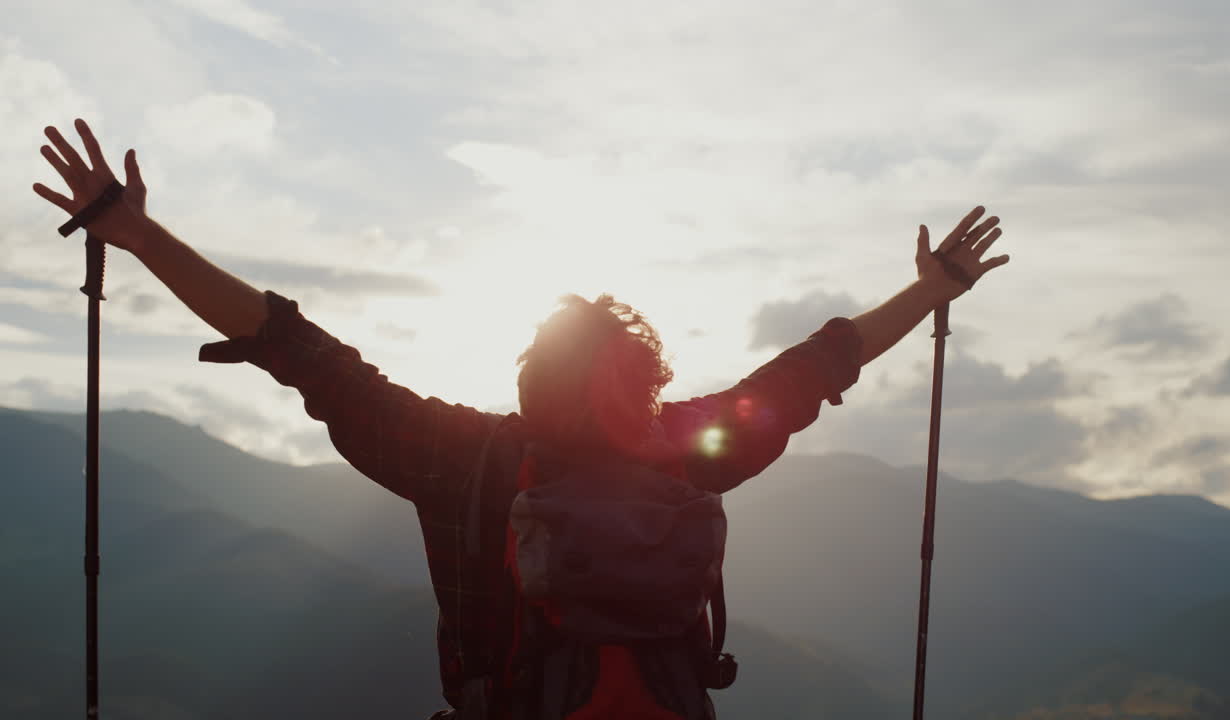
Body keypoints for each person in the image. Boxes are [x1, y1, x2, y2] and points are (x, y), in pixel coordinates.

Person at [33, 119, 1010, 719]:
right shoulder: (683, 449)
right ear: (647, 378)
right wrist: (927, 292)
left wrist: (135, 233)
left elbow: (295, 347)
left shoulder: (458, 456)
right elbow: (813, 368)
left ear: (529, 376)